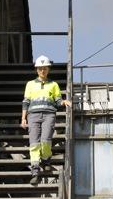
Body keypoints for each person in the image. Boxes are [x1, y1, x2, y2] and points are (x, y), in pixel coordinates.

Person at [21, 55, 72, 184]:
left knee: (45, 140)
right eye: (40, 69)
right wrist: (23, 118)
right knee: (34, 143)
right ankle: (35, 170)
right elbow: (26, 102)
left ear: (48, 69)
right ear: (36, 70)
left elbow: (58, 100)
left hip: (49, 115)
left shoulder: (53, 85)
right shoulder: (30, 84)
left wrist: (64, 101)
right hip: (33, 116)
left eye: (44, 68)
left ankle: (46, 158)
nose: (42, 71)